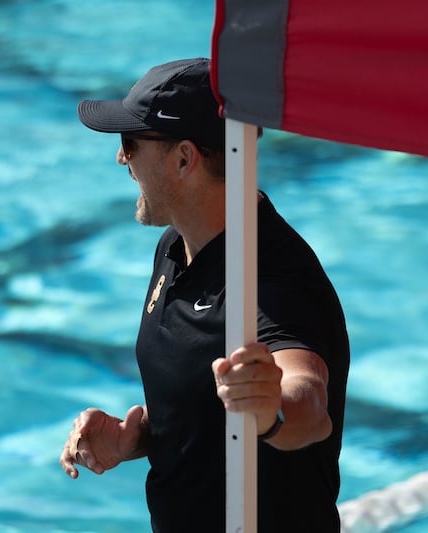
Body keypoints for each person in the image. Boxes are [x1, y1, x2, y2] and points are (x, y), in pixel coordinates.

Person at [59, 57, 350, 532]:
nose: (121, 158)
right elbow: (214, 406)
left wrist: (273, 409)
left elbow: (309, 402)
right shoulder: (175, 248)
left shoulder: (275, 280)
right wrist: (132, 439)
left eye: (130, 142)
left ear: (184, 159)